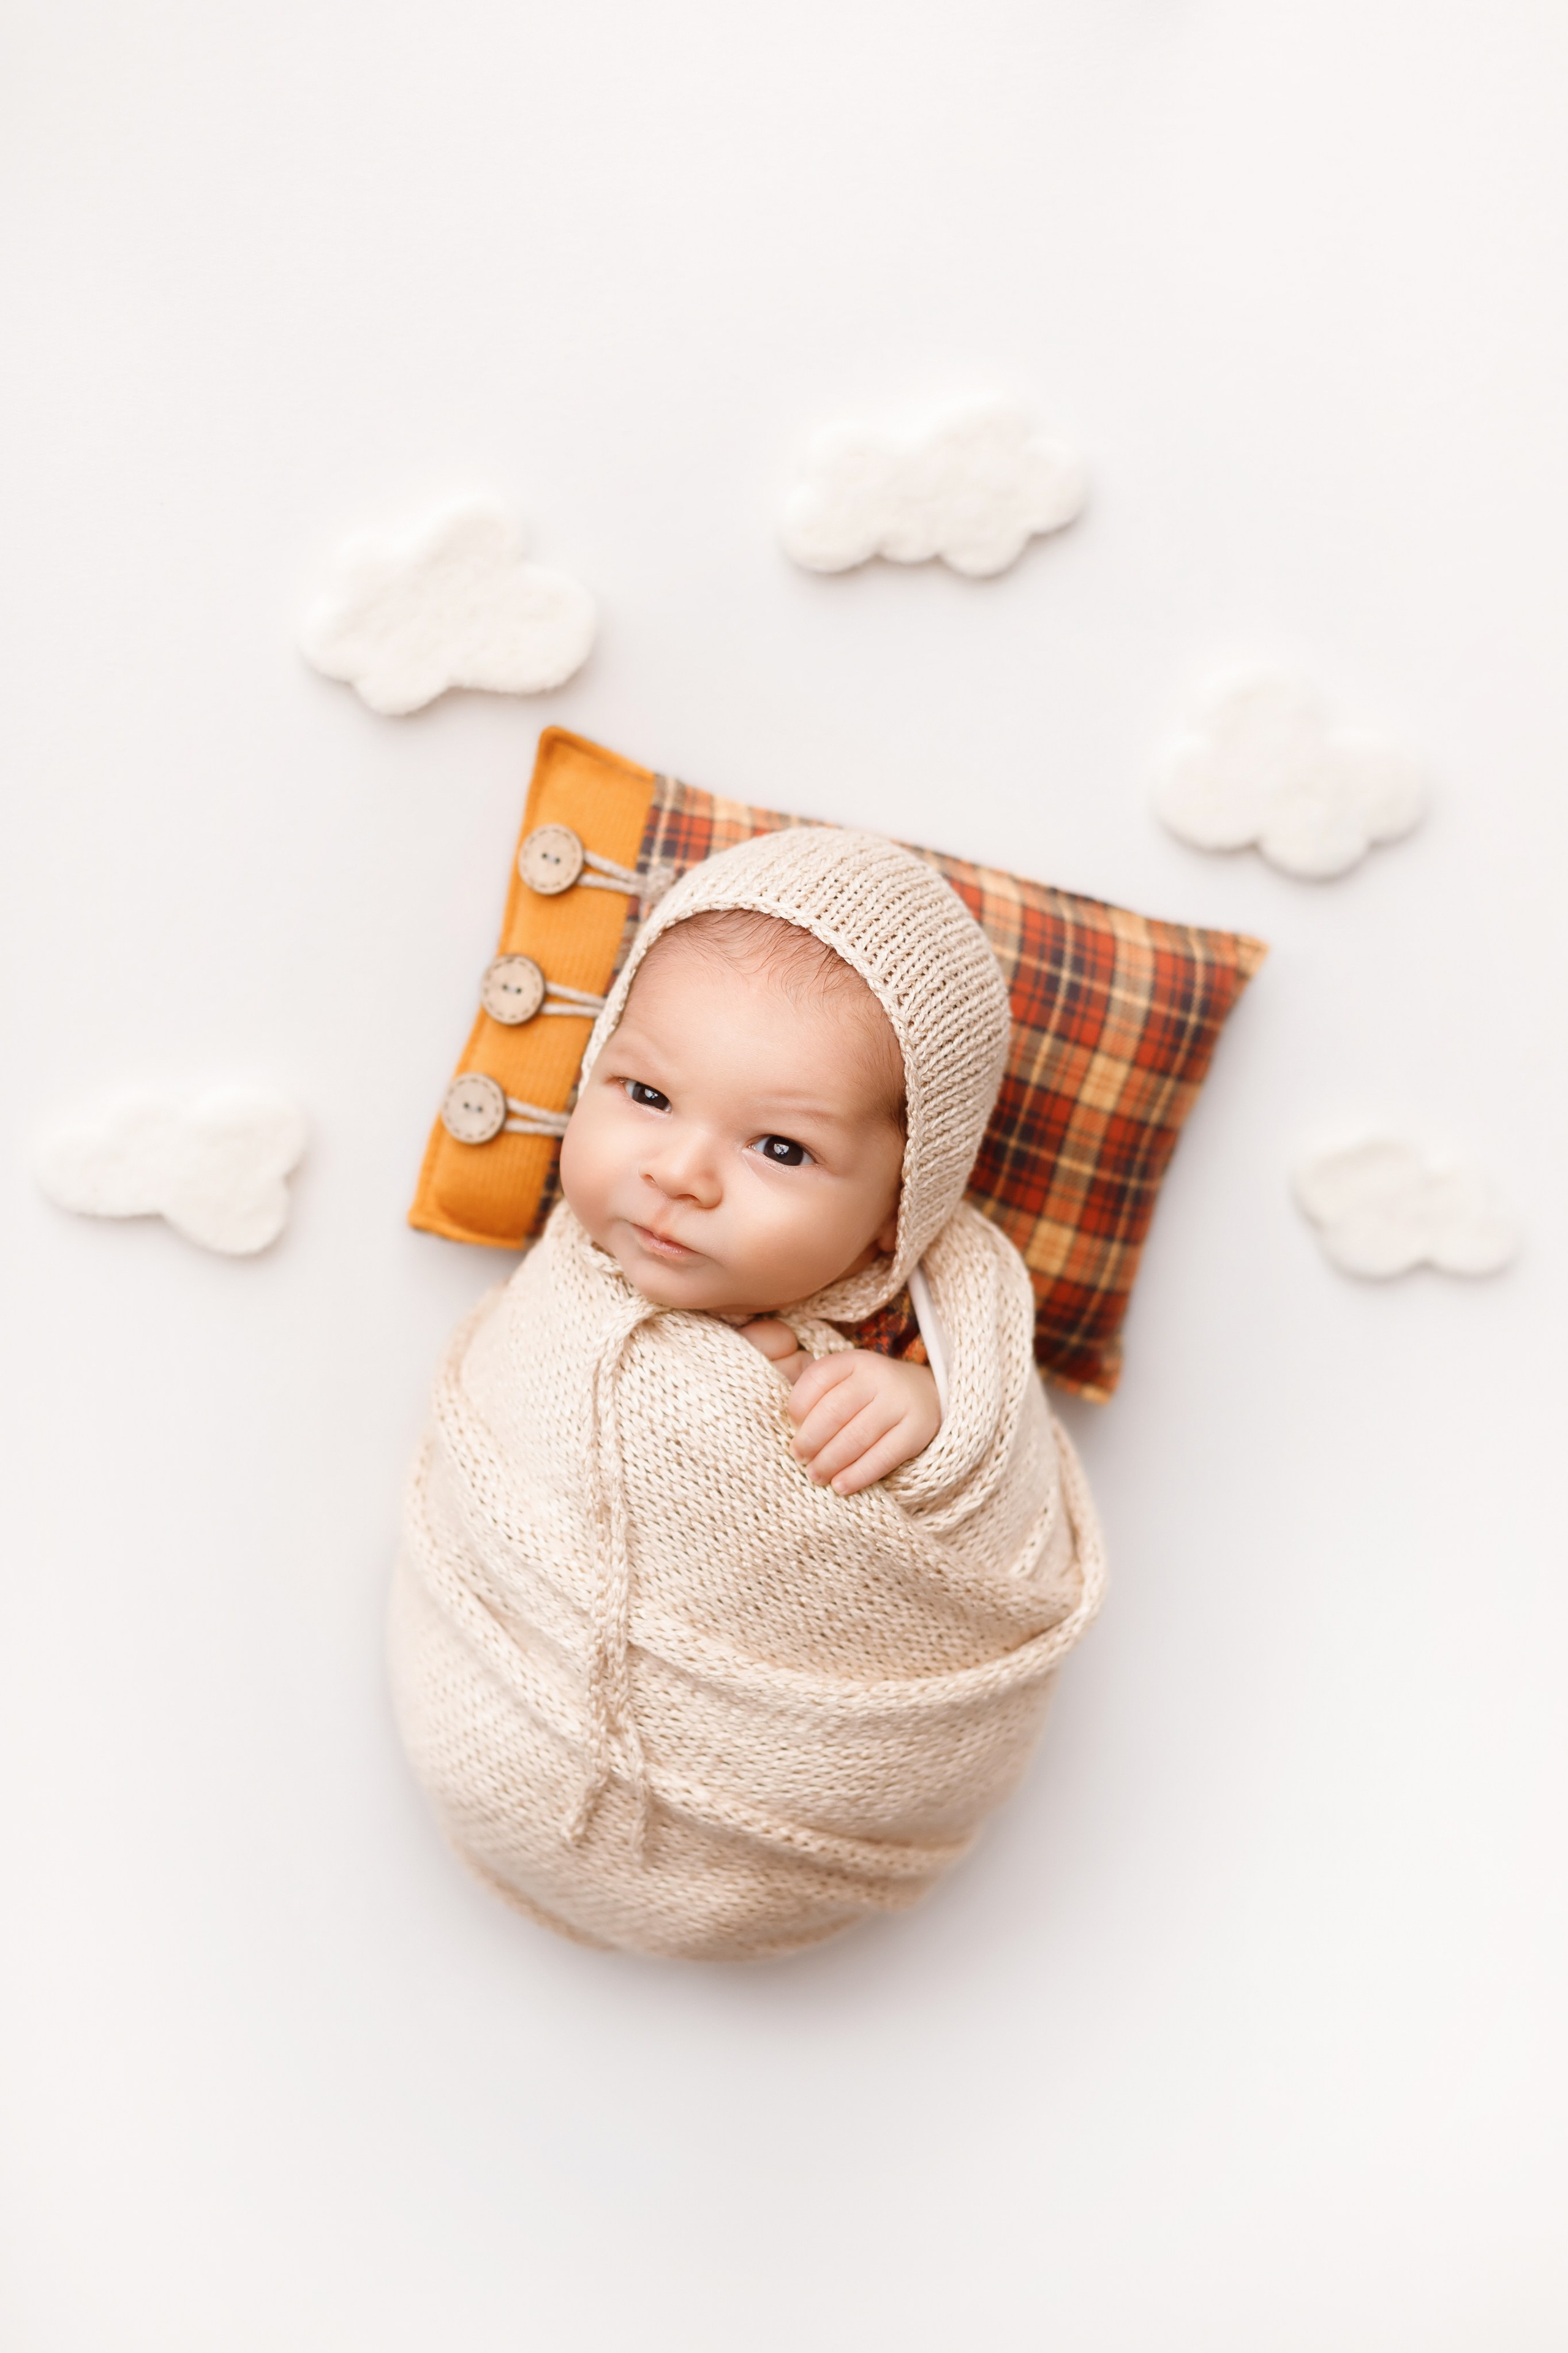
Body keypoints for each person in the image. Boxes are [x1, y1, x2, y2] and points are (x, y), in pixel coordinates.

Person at [391, 827, 1104, 1960]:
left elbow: (995, 1490)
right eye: (647, 1093)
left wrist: (923, 1418)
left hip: (814, 1791)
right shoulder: (569, 1286)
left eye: (779, 1147)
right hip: (507, 1724)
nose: (680, 1172)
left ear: (897, 1206)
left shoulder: (925, 1329)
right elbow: (510, 1439)